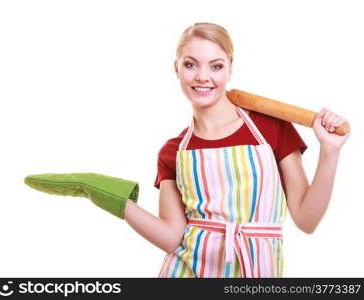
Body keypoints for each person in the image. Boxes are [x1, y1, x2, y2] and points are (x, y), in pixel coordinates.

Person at [124, 22, 350, 278]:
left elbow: (307, 221)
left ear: (230, 69)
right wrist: (118, 201)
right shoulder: (173, 151)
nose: (202, 76)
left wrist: (330, 151)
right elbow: (170, 237)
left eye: (216, 65)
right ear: (176, 68)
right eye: (191, 64)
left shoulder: (270, 127)